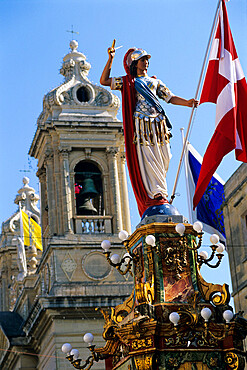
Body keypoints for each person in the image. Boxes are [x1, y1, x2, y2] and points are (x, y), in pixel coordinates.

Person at [100, 46, 198, 216]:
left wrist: (187, 103)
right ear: (135, 63)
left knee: (165, 156)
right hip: (142, 124)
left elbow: (170, 97)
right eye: (143, 60)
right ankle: (156, 193)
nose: (146, 63)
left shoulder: (155, 82)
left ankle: (162, 191)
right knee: (149, 156)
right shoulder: (129, 81)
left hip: (159, 124)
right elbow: (104, 81)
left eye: (147, 60)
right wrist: (111, 59)